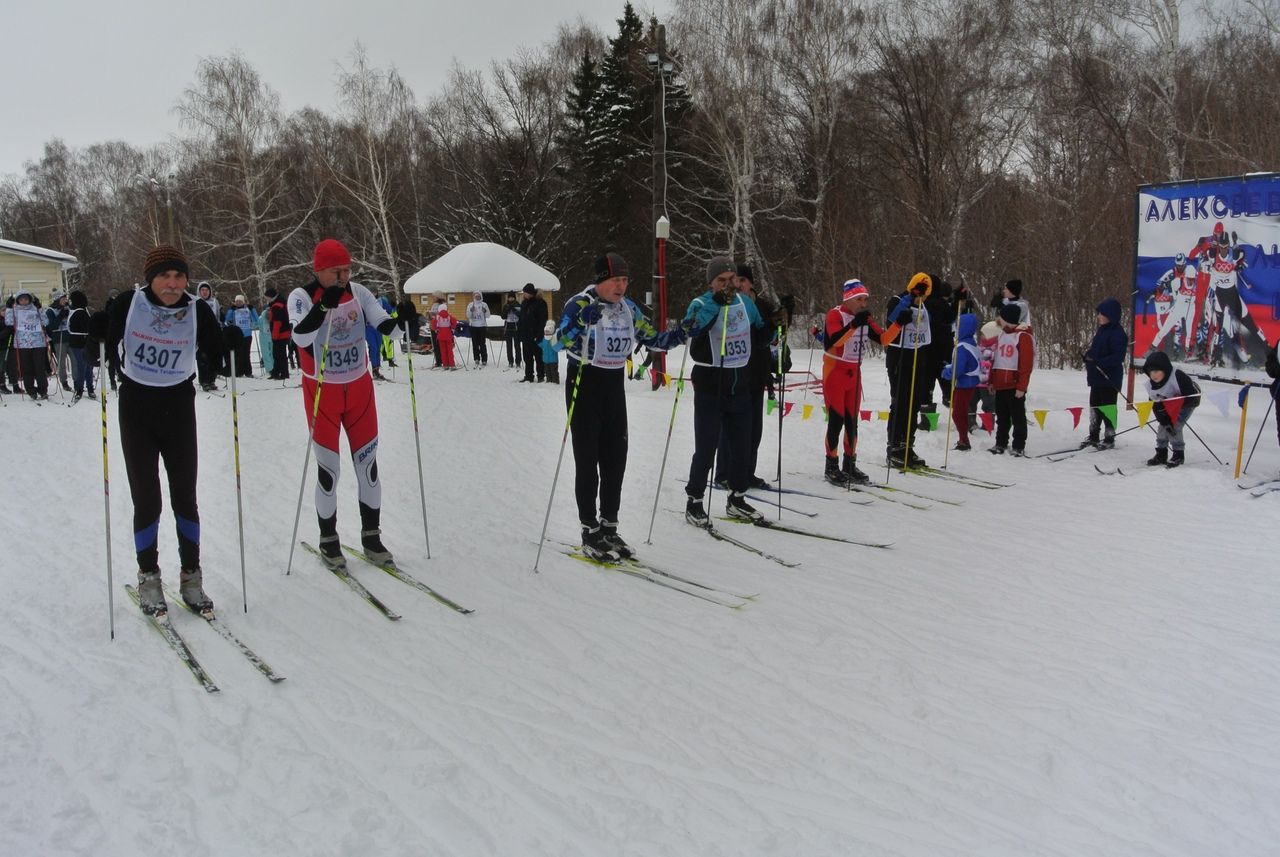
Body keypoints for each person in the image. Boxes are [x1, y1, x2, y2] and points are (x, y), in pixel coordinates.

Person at [89, 245, 227, 615]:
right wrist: (97, 332)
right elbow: (94, 348)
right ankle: (149, 576)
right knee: (147, 499)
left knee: (186, 497)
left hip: (179, 408)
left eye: (179, 276)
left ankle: (191, 577)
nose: (172, 283)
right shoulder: (128, 305)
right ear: (150, 278)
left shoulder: (196, 309)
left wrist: (229, 345)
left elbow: (218, 352)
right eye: (165, 276)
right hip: (137, 409)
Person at [551, 252, 681, 559]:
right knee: (588, 460)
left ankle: (609, 527)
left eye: (625, 280)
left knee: (615, 459)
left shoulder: (628, 308)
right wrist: (581, 323)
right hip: (584, 384)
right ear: (601, 280)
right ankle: (589, 529)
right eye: (615, 280)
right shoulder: (580, 303)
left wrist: (683, 332)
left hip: (612, 388)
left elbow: (654, 340)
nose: (621, 286)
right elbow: (557, 342)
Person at [288, 238, 402, 568]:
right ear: (320, 271)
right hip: (322, 392)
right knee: (329, 472)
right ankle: (329, 539)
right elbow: (300, 336)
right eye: (336, 271)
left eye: (347, 269)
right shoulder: (303, 296)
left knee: (368, 466)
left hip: (359, 390)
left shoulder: (359, 292)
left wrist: (398, 325)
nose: (343, 276)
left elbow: (381, 321)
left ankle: (372, 537)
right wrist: (324, 307)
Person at [682, 256, 766, 525]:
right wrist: (715, 306)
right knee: (706, 447)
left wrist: (777, 320)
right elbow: (692, 327)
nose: (729, 285)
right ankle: (694, 501)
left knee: (742, 446)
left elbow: (762, 334)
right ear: (712, 283)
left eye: (733, 280)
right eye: (722, 281)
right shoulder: (701, 303)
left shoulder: (745, 303)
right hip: (710, 385)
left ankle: (737, 498)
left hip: (739, 382)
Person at [821, 278, 904, 484]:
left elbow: (884, 339)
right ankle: (831, 464)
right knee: (836, 420)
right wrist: (853, 325)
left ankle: (849, 464)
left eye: (865, 299)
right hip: (835, 373)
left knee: (852, 421)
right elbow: (833, 341)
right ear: (848, 298)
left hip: (854, 374)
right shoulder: (835, 314)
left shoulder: (863, 318)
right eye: (859, 299)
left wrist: (899, 323)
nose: (863, 304)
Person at [714, 264, 787, 490]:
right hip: (734, 375)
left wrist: (783, 320)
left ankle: (747, 472)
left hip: (758, 374)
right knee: (731, 429)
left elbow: (774, 336)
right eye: (737, 280)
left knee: (753, 431)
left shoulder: (762, 306)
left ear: (752, 283)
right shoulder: (729, 305)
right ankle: (724, 473)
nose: (739, 285)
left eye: (744, 281)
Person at [883, 273, 933, 468]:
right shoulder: (897, 300)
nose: (923, 298)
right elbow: (891, 318)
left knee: (913, 403)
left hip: (916, 356)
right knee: (900, 402)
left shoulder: (923, 306)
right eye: (921, 292)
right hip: (898, 357)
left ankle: (907, 446)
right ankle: (894, 447)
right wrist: (908, 300)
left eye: (925, 294)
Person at [989, 302, 1035, 456]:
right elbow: (995, 360)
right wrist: (991, 381)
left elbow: (1026, 364)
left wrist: (1022, 387)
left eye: (1000, 317)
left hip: (1015, 386)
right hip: (1000, 384)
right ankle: (1000, 443)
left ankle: (1018, 445)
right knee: (1001, 417)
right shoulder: (1001, 335)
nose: (998, 320)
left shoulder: (1023, 336)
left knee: (1018, 418)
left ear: (1007, 319)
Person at [1140, 350, 1200, 468]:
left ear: (1165, 370)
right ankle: (1161, 453)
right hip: (1168, 404)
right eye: (1151, 372)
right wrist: (1163, 418)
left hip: (1187, 402)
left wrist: (1173, 411)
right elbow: (1154, 405)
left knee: (1175, 425)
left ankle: (1178, 454)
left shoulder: (1178, 376)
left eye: (1157, 371)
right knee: (1163, 427)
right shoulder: (1151, 386)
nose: (1153, 375)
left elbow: (1191, 396)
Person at [1083, 298, 1128, 449]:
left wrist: (1099, 362)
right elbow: (1096, 350)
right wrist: (1088, 356)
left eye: (1101, 314)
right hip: (1096, 377)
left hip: (1109, 378)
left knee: (1108, 407)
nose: (1098, 316)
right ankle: (1093, 435)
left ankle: (1109, 437)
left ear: (1110, 315)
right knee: (1094, 406)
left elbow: (1118, 357)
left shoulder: (1118, 333)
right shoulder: (1101, 330)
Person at [940, 313, 982, 451]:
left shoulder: (962, 347)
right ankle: (963, 440)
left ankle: (964, 441)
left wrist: (946, 372)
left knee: (957, 413)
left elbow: (958, 369)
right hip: (968, 383)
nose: (956, 329)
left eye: (958, 326)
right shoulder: (971, 343)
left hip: (965, 384)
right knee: (961, 412)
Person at [4, 290, 51, 400]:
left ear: (29, 299)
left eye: (26, 299)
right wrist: (9, 308)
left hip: (38, 343)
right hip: (23, 344)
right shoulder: (15, 310)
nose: (24, 301)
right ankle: (31, 390)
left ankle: (43, 390)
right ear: (18, 301)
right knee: (27, 368)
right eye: (21, 299)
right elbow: (9, 322)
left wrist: (40, 308)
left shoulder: (35, 309)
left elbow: (46, 322)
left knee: (39, 367)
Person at [66, 289, 96, 402]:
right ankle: (83, 388)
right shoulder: (81, 311)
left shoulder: (80, 311)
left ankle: (85, 388)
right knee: (84, 365)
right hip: (79, 342)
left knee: (85, 366)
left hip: (81, 342)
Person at [518, 283, 549, 382]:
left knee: (539, 357)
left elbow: (543, 320)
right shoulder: (524, 303)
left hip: (536, 335)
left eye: (525, 292)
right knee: (527, 357)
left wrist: (540, 335)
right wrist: (520, 332)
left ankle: (540, 376)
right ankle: (528, 376)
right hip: (526, 335)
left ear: (531, 293)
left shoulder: (540, 303)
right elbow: (521, 319)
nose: (524, 294)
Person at [224, 294, 258, 377]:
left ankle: (248, 372)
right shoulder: (234, 310)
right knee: (238, 354)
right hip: (237, 335)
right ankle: (239, 372)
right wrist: (231, 310)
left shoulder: (248, 310)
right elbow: (227, 319)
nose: (238, 303)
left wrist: (252, 309)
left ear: (243, 302)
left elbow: (256, 319)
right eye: (236, 301)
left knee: (246, 354)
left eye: (240, 301)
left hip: (247, 334)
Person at [195, 282, 220, 391]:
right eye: (202, 290)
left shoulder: (214, 302)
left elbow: (218, 317)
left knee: (213, 358)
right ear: (199, 292)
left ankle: (212, 380)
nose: (205, 292)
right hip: (201, 334)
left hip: (214, 334)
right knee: (203, 359)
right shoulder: (196, 302)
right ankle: (204, 381)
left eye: (206, 290)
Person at [46, 291, 73, 392]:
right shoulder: (50, 311)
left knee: (75, 359)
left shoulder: (67, 308)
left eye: (65, 299)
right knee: (62, 362)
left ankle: (77, 381)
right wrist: (60, 316)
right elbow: (52, 326)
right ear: (57, 300)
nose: (65, 301)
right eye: (62, 299)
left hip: (69, 337)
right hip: (59, 338)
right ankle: (64, 382)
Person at [265, 287, 292, 380]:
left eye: (267, 297)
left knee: (280, 354)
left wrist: (275, 335)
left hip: (281, 334)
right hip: (281, 333)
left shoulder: (277, 306)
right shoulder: (278, 304)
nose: (266, 299)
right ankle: (276, 372)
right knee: (276, 354)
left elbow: (277, 322)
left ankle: (284, 373)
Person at [466, 291, 490, 367]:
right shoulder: (470, 304)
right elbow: (468, 316)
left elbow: (488, 315)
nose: (477, 297)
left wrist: (485, 311)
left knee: (482, 344)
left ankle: (484, 359)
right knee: (475, 344)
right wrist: (471, 311)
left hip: (482, 326)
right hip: (473, 326)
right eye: (476, 296)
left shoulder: (484, 304)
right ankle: (476, 358)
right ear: (474, 297)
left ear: (481, 297)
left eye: (478, 296)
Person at [501, 290, 521, 367]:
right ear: (508, 298)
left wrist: (514, 310)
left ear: (515, 298)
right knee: (509, 346)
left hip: (516, 327)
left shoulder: (518, 305)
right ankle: (510, 361)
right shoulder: (505, 306)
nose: (511, 299)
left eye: (512, 298)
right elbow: (503, 316)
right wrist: (507, 310)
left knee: (517, 346)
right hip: (508, 327)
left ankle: (518, 361)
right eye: (510, 298)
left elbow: (521, 315)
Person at [434, 301, 457, 370]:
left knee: (443, 351)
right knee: (449, 350)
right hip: (448, 335)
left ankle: (445, 365)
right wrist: (452, 328)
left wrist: (436, 329)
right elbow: (454, 321)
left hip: (440, 335)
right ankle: (452, 365)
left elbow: (433, 323)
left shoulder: (437, 316)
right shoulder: (449, 316)